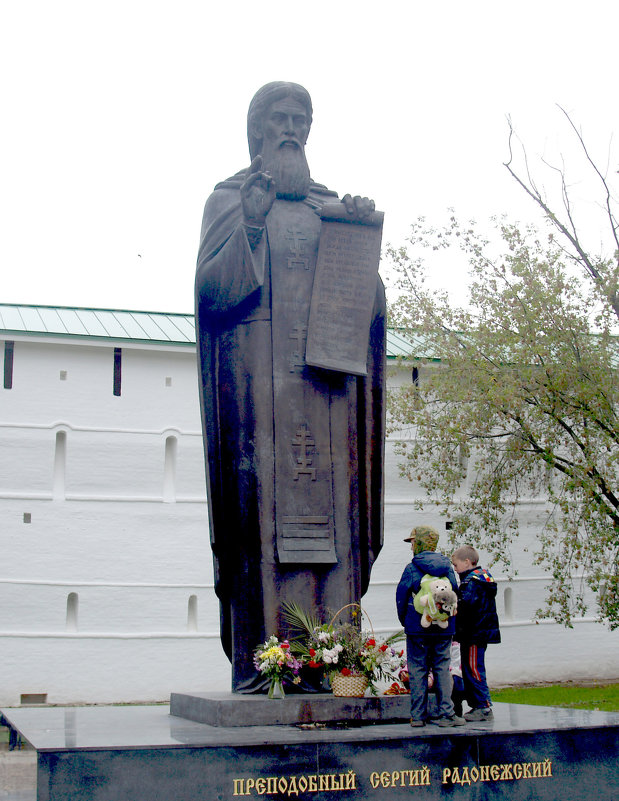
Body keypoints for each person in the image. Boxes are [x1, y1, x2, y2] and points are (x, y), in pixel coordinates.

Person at [195, 82, 386, 691]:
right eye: (279, 119)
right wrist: (249, 226)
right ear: (256, 130)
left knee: (334, 522)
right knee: (264, 524)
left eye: (300, 120)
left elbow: (370, 311)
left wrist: (360, 251)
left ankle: (336, 669)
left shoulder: (329, 208)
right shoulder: (231, 199)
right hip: (258, 400)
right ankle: (269, 666)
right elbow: (210, 295)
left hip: (327, 401)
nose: (290, 129)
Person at [396, 525, 465, 727]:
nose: (411, 547)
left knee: (418, 669)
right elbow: (455, 594)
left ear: (419, 543)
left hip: (418, 627)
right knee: (443, 668)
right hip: (444, 627)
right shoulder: (447, 567)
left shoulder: (412, 568)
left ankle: (418, 716)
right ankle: (447, 713)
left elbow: (401, 597)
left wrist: (406, 621)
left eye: (413, 542)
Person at [451, 545, 501, 721]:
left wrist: (452, 602)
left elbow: (466, 605)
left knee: (474, 668)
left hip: (474, 633)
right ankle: (476, 705)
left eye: (456, 565)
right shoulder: (481, 579)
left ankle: (484, 706)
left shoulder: (473, 582)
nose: (455, 569)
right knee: (469, 668)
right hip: (475, 632)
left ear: (467, 562)